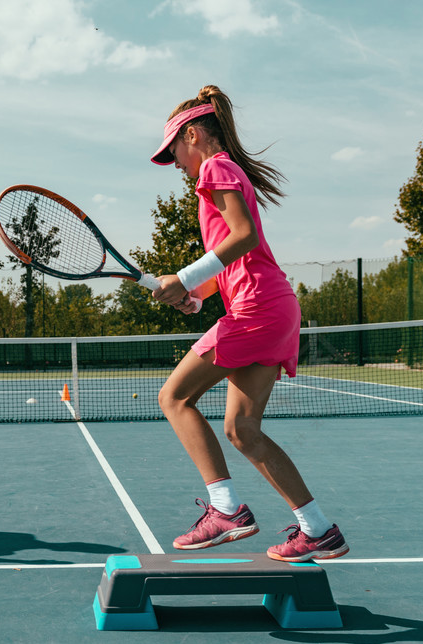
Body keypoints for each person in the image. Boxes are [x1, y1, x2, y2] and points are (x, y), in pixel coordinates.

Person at [149, 86, 349, 563]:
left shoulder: (216, 168)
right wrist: (197, 294)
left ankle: (226, 510)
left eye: (173, 150)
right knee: (243, 429)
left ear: (192, 135)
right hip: (274, 307)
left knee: (173, 398)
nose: (175, 162)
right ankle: (318, 530)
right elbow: (238, 258)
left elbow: (244, 237)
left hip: (257, 309)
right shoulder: (228, 173)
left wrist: (182, 277)